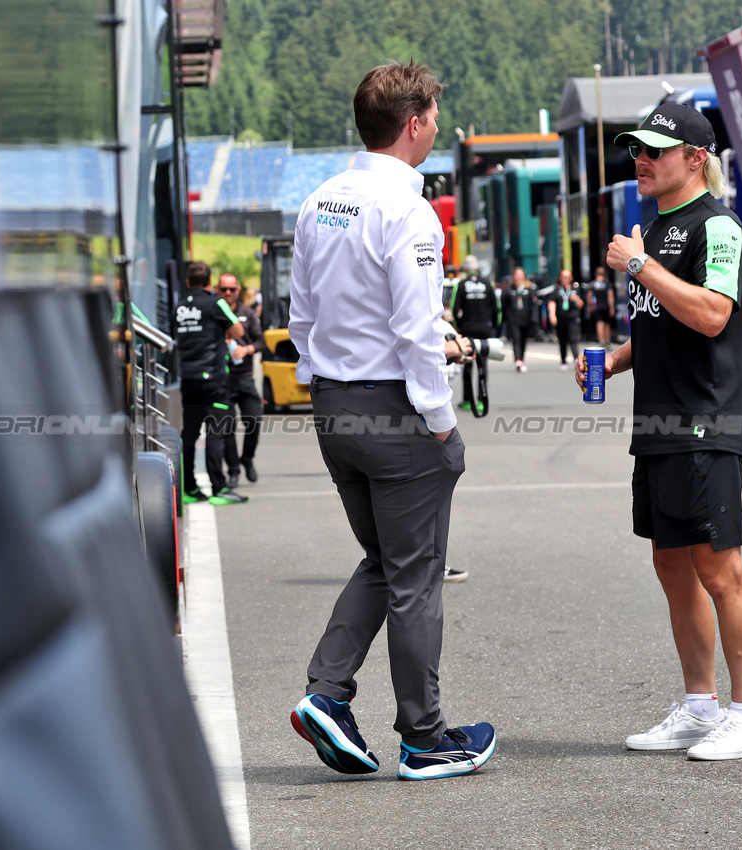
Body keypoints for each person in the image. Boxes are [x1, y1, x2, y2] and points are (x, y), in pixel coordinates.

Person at [287, 61, 495, 781]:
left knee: (384, 563)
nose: (437, 125)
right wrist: (440, 421)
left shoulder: (319, 202)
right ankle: (426, 738)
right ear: (413, 124)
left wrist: (320, 386)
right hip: (394, 411)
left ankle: (327, 694)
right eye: (434, 115)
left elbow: (301, 316)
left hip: (333, 406)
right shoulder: (406, 210)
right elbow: (415, 332)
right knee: (416, 578)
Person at [578, 101, 742, 760]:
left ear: (694, 158)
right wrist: (614, 358)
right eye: (636, 148)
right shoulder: (654, 228)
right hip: (658, 422)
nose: (639, 159)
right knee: (671, 565)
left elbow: (713, 314)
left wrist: (636, 266)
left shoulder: (716, 226)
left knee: (720, 571)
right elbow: (661, 322)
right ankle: (697, 706)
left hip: (705, 420)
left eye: (654, 150)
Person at [178, 261, 247, 505]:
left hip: (188, 378)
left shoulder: (178, 307)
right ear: (210, 284)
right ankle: (218, 489)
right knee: (216, 433)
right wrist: (223, 332)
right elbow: (238, 330)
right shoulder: (215, 302)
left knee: (189, 434)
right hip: (214, 380)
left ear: (188, 282)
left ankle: (188, 489)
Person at [218, 274, 264, 486]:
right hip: (223, 379)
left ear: (238, 291)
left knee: (254, 420)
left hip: (245, 377)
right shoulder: (214, 313)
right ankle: (233, 470)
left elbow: (261, 341)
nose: (228, 293)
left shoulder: (247, 313)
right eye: (224, 289)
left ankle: (247, 459)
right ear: (218, 290)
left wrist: (246, 349)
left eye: (232, 289)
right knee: (226, 426)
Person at [450, 254, 497, 412]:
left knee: (468, 364)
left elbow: (453, 308)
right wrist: (493, 325)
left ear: (466, 270)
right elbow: (497, 308)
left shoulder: (461, 284)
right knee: (483, 364)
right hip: (485, 328)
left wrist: (459, 326)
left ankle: (468, 400)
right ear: (477, 269)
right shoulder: (488, 283)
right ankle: (482, 400)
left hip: (467, 329)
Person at [548, 269, 584, 370]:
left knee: (573, 338)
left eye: (568, 277)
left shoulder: (575, 288)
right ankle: (563, 360)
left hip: (572, 317)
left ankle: (576, 358)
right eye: (563, 276)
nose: (565, 279)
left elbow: (581, 304)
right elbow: (552, 302)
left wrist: (576, 299)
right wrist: (552, 315)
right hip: (561, 317)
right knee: (562, 339)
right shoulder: (556, 289)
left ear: (571, 278)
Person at [503, 267, 536, 371]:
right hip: (513, 319)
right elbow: (504, 305)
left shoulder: (529, 289)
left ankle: (522, 359)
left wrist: (534, 319)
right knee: (516, 339)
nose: (519, 277)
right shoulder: (509, 289)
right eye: (517, 275)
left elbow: (534, 305)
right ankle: (517, 359)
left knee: (523, 340)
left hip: (525, 319)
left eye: (521, 275)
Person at [589, 266, 615, 346]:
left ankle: (601, 341)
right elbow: (610, 296)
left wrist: (590, 306)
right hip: (606, 306)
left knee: (599, 323)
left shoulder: (592, 284)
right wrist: (612, 307)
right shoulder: (607, 284)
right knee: (607, 324)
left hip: (597, 306)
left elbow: (589, 296)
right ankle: (607, 341)